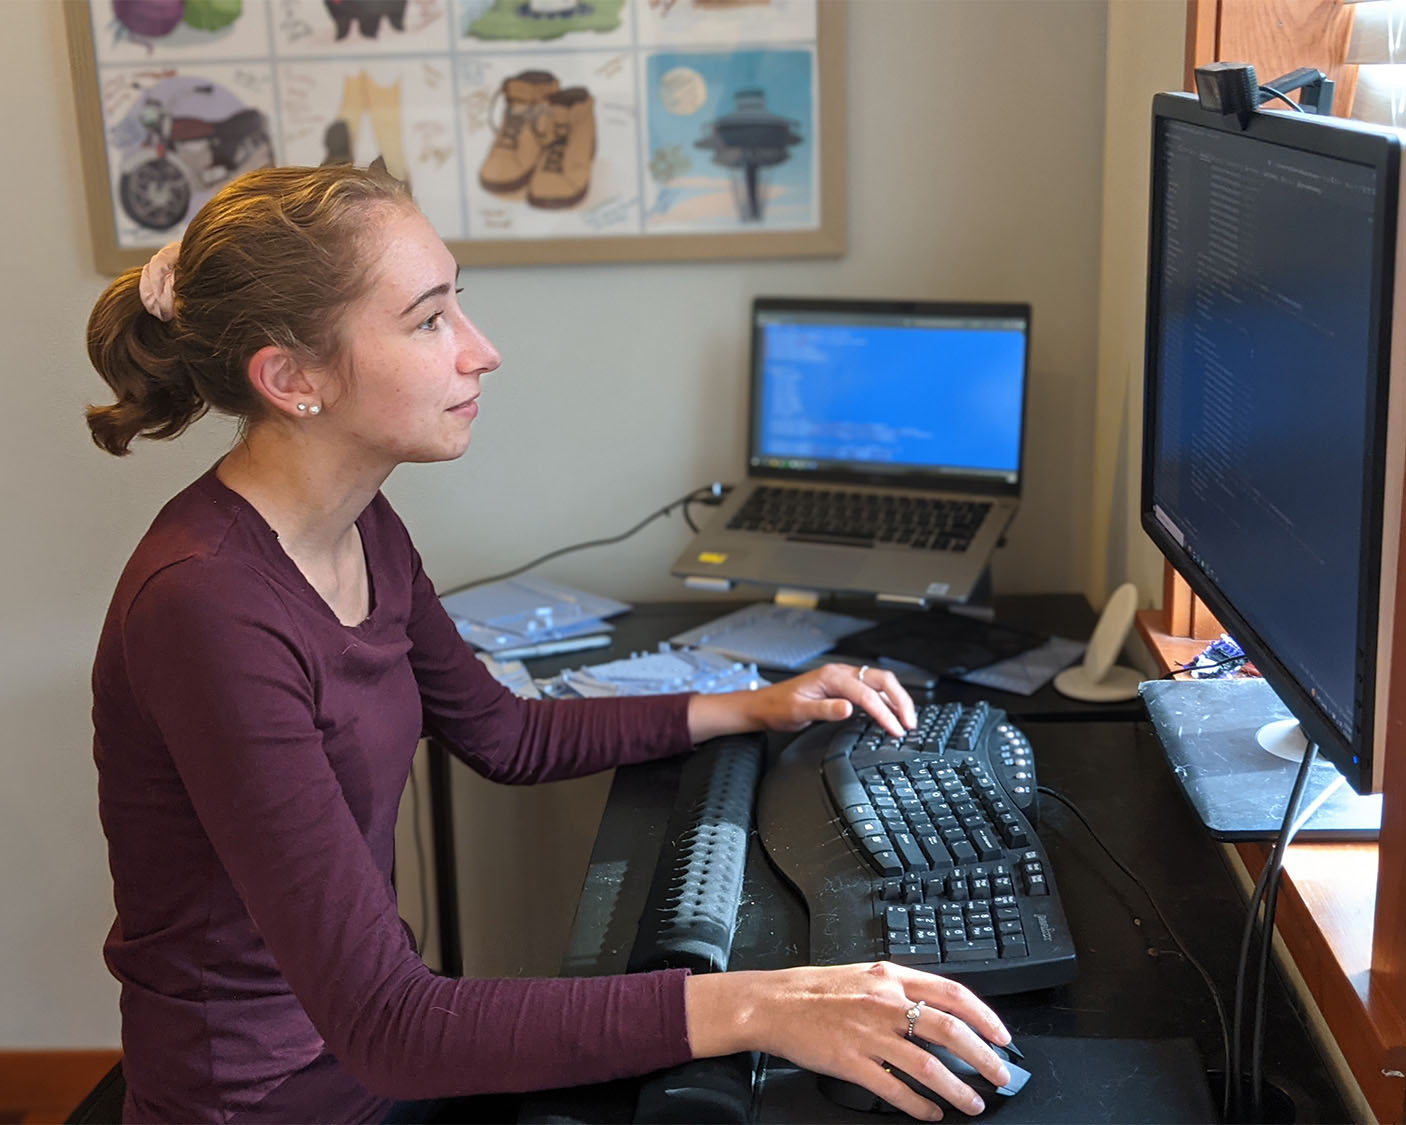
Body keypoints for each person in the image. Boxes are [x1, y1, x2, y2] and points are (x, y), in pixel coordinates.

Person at [85, 163, 1014, 1124]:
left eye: (458, 304)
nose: (481, 351)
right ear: (292, 378)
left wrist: (752, 706)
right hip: (269, 1100)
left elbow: (505, 734)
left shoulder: (360, 526)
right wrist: (764, 1005)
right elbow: (391, 1024)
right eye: (429, 320)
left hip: (363, 1066)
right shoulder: (206, 607)